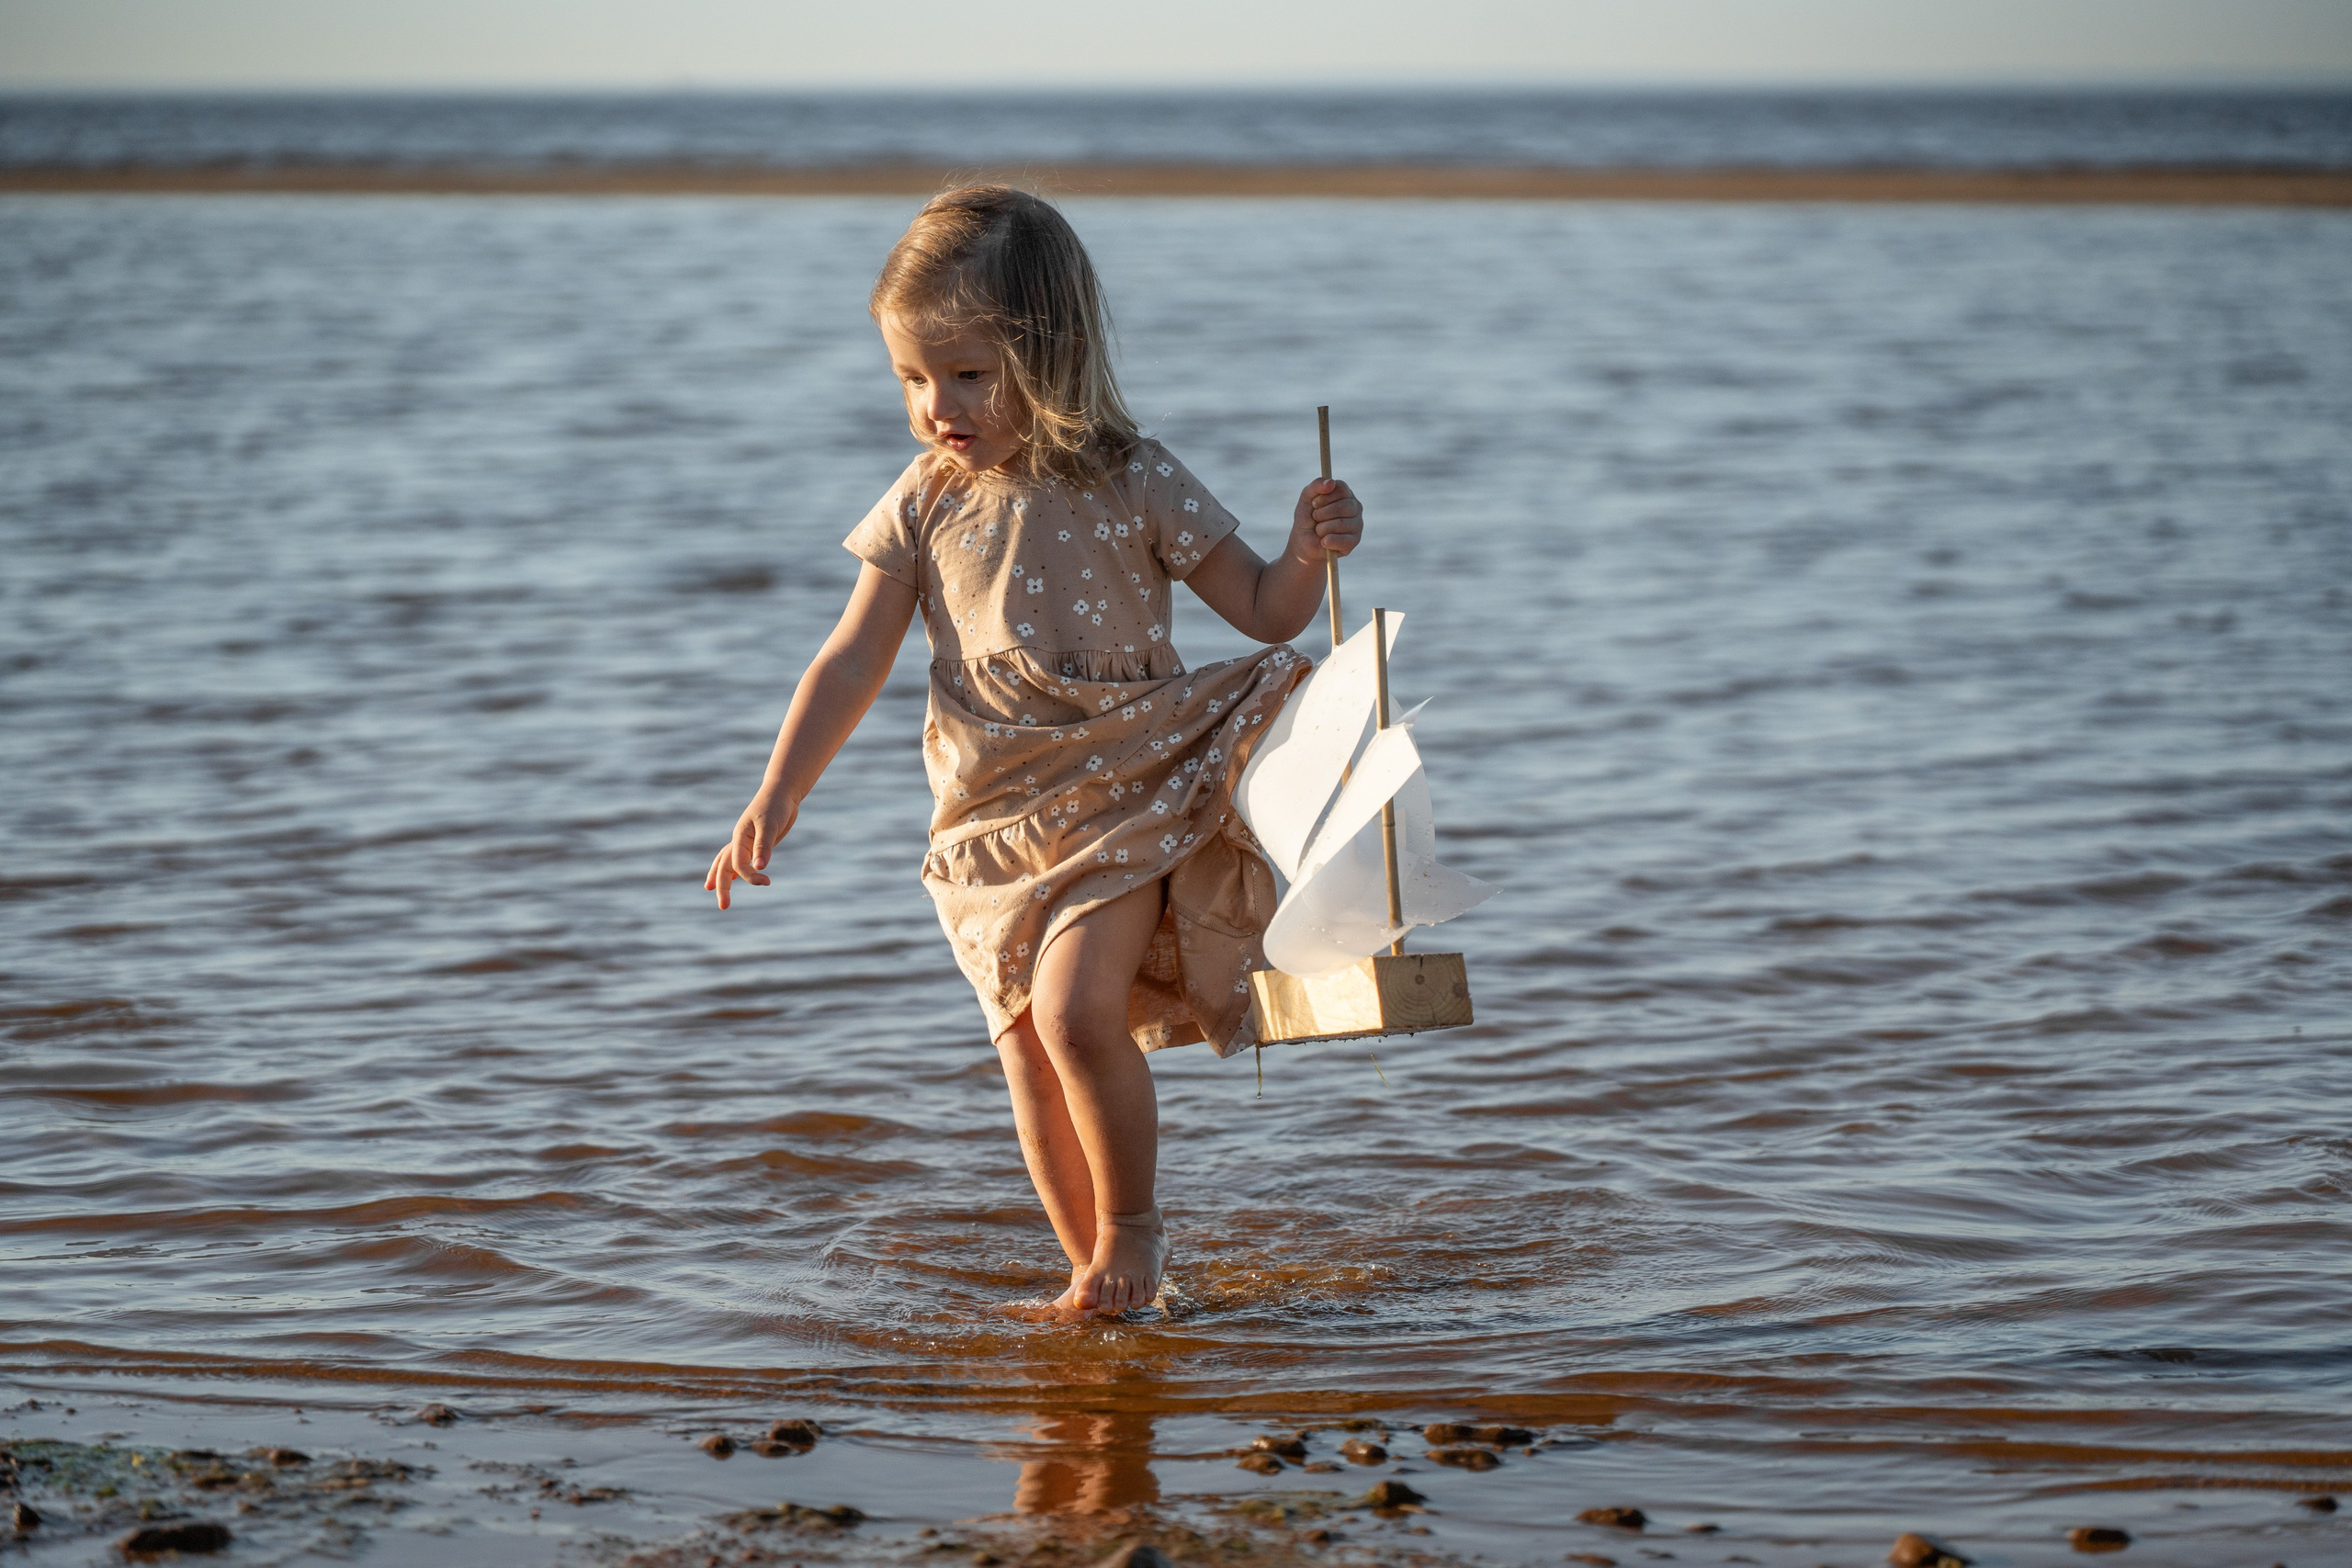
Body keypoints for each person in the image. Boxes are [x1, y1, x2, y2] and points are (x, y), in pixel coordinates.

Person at [704, 186, 1362, 1316]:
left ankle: (1133, 1235)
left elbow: (1261, 611)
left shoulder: (1133, 475)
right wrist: (777, 791)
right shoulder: (923, 500)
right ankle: (1092, 1277)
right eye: (913, 378)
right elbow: (850, 658)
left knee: (1073, 1016)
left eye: (965, 374)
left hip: (1124, 786)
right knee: (1024, 1048)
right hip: (989, 817)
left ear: (1046, 354)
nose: (935, 405)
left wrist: (1307, 552)